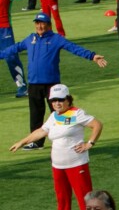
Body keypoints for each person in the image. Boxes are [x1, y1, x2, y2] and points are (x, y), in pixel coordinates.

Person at [9, 83, 102, 210]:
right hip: (58, 165)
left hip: (76, 163)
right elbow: (41, 131)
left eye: (60, 100)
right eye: (53, 100)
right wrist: (22, 142)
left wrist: (89, 144)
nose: (57, 103)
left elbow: (97, 125)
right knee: (62, 198)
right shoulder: (54, 116)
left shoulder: (76, 113)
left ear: (68, 99)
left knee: (85, 198)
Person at [0, 13, 107, 150]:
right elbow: (13, 49)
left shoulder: (56, 39)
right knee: (35, 113)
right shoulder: (30, 39)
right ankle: (37, 142)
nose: (39, 26)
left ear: (49, 25)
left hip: (52, 85)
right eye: (37, 23)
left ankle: (69, 136)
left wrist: (92, 56)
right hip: (34, 83)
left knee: (59, 112)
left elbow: (73, 48)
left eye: (42, 23)